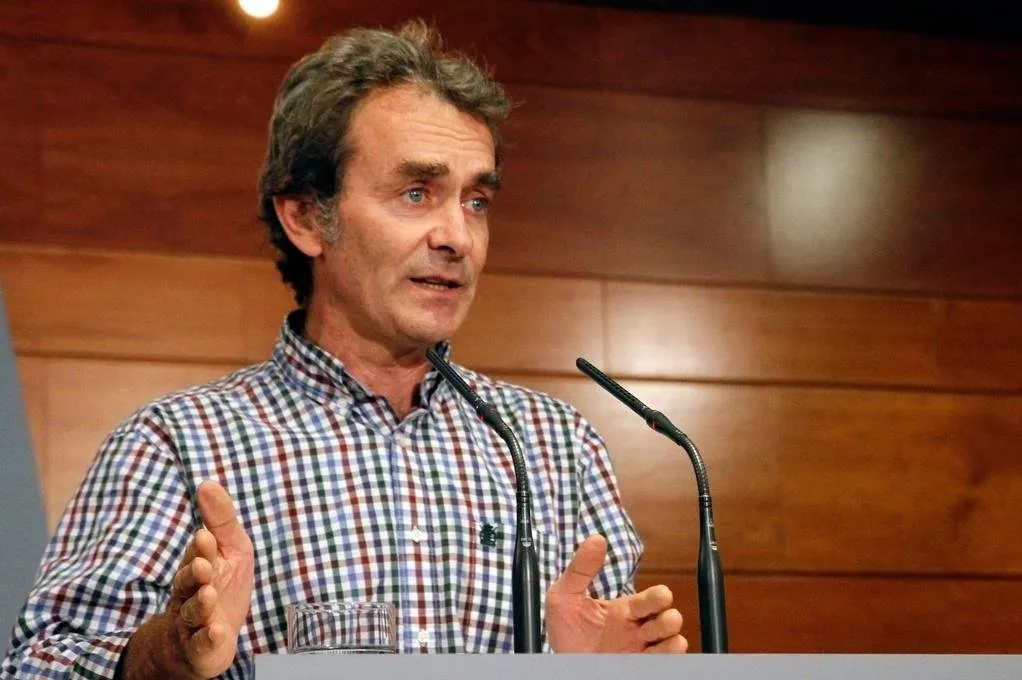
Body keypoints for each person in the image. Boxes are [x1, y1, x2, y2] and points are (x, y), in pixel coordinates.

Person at [3, 21, 686, 679]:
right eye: (417, 192)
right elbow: (37, 667)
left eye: (476, 201)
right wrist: (165, 659)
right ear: (305, 217)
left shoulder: (557, 447)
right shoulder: (179, 445)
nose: (458, 237)